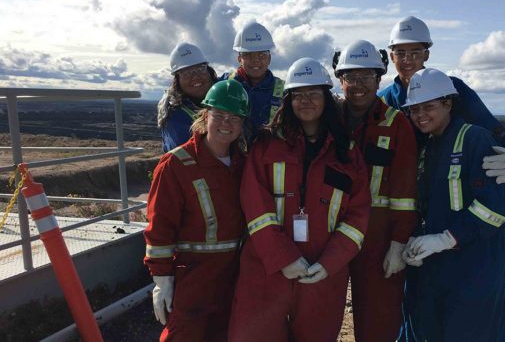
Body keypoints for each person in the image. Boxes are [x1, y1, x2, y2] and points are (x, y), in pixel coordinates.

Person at [228, 57, 371, 342]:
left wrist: (331, 263)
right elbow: (256, 206)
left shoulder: (347, 151)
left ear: (326, 98)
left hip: (320, 273)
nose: (306, 101)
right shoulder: (266, 145)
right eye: (298, 95)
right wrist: (283, 258)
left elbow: (358, 215)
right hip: (267, 268)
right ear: (288, 100)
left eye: (313, 94)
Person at [401, 68, 505, 341]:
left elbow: (497, 207)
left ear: (448, 103)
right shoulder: (430, 147)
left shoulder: (475, 140)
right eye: (414, 110)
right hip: (443, 266)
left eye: (428, 107)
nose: (420, 116)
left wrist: (447, 238)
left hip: (477, 265)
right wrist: (416, 242)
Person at [144, 80, 249, 341]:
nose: (227, 123)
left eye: (235, 117)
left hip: (234, 274)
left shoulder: (243, 165)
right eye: (220, 115)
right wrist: (162, 277)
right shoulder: (176, 165)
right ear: (205, 115)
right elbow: (160, 226)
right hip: (192, 276)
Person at [332, 40, 418, 342]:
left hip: (378, 239)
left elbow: (406, 193)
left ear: (378, 78)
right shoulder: (328, 121)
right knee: (321, 314)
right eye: (351, 77)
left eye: (366, 76)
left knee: (379, 321)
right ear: (340, 79)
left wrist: (398, 242)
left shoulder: (397, 126)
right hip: (331, 233)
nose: (358, 84)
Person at [378, 16, 505, 185]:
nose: (407, 59)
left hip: (446, 190)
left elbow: (489, 127)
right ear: (391, 57)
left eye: (415, 52)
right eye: (400, 53)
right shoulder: (384, 100)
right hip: (402, 193)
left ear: (426, 55)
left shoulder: (452, 89)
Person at [222, 21, 285, 143]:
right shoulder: (223, 84)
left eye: (262, 55)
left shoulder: (284, 90)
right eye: (248, 55)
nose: (255, 60)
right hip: (234, 158)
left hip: (272, 157)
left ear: (269, 58)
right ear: (239, 59)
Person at [157, 42, 218, 152]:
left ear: (209, 72)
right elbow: (184, 156)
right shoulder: (174, 115)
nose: (195, 76)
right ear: (177, 80)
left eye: (200, 69)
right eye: (186, 73)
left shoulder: (222, 94)